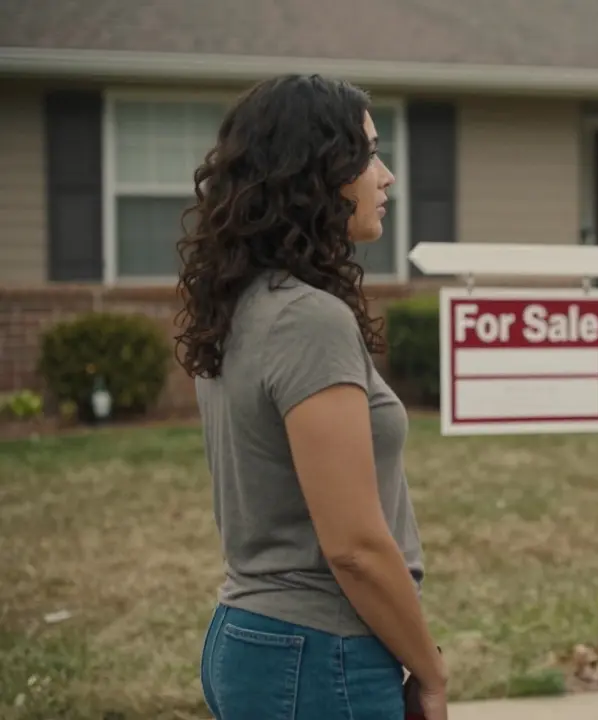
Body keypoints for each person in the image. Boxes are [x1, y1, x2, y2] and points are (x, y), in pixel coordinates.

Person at [174, 74, 448, 720]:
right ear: (314, 172)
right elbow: (353, 545)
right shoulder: (307, 320)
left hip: (255, 640)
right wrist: (431, 673)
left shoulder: (241, 306)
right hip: (320, 655)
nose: (386, 177)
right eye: (368, 154)